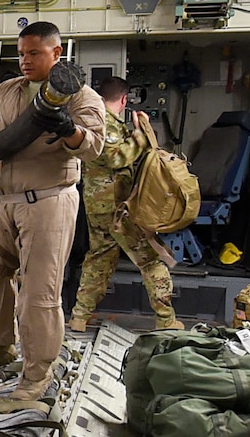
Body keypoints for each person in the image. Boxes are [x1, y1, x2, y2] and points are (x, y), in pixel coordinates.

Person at [0, 22, 105, 401]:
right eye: (21, 54)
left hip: (48, 201)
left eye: (34, 54)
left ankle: (36, 373)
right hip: (6, 202)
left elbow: (93, 146)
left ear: (57, 54)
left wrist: (67, 129)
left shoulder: (79, 97)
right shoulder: (9, 91)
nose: (25, 61)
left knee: (38, 293)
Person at [70, 76, 181, 332]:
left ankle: (79, 316)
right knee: (149, 259)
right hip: (116, 206)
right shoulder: (104, 122)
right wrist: (140, 136)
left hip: (98, 205)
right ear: (123, 99)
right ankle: (166, 320)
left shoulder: (95, 120)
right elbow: (116, 158)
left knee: (98, 258)